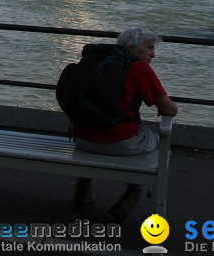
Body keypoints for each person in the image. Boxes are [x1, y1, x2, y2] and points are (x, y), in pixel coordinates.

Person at [71, 28, 178, 222]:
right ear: (134, 48)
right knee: (155, 141)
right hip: (119, 142)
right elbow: (170, 110)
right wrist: (163, 107)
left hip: (82, 138)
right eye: (149, 48)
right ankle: (132, 194)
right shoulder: (140, 69)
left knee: (106, 128)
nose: (152, 54)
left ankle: (83, 189)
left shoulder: (98, 62)